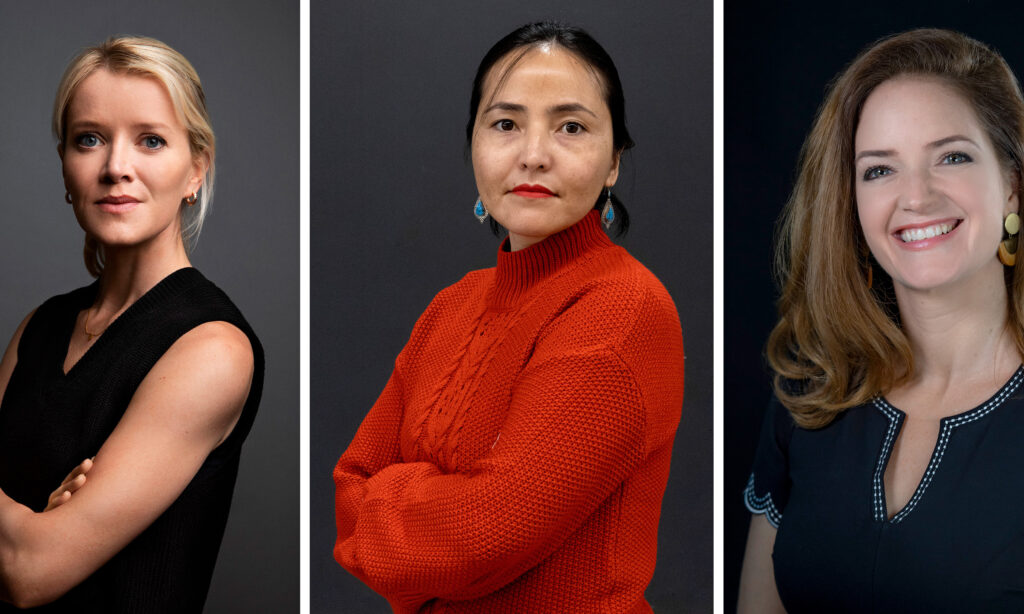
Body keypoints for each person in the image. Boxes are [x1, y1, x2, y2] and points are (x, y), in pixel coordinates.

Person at [333, 21, 685, 613]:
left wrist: (399, 501)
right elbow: (350, 489)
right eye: (505, 124)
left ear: (614, 162)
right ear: (472, 142)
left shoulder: (624, 309)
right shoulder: (452, 305)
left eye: (571, 127)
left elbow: (487, 532)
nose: (533, 155)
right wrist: (442, 517)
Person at [738, 28, 1024, 612]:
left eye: (952, 156)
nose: (914, 197)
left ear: (1013, 188)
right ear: (852, 202)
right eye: (879, 170)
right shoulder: (813, 389)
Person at [0, 36, 263, 611]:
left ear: (196, 169)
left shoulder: (211, 347)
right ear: (66, 167)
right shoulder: (38, 329)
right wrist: (23, 518)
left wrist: (26, 530)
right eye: (88, 139)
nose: (116, 168)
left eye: (150, 140)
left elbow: (27, 570)